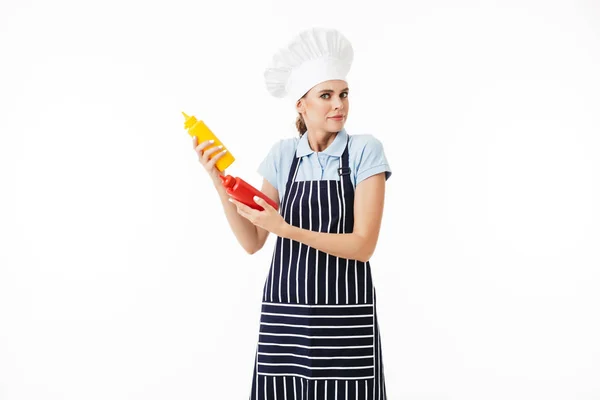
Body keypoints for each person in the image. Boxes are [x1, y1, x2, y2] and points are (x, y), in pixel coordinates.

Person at [193, 27, 391, 399]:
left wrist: (286, 228)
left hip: (344, 319)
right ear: (301, 104)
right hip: (287, 317)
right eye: (326, 95)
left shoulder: (365, 151)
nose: (339, 105)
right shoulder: (283, 156)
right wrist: (218, 180)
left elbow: (363, 246)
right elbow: (253, 240)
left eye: (344, 94)